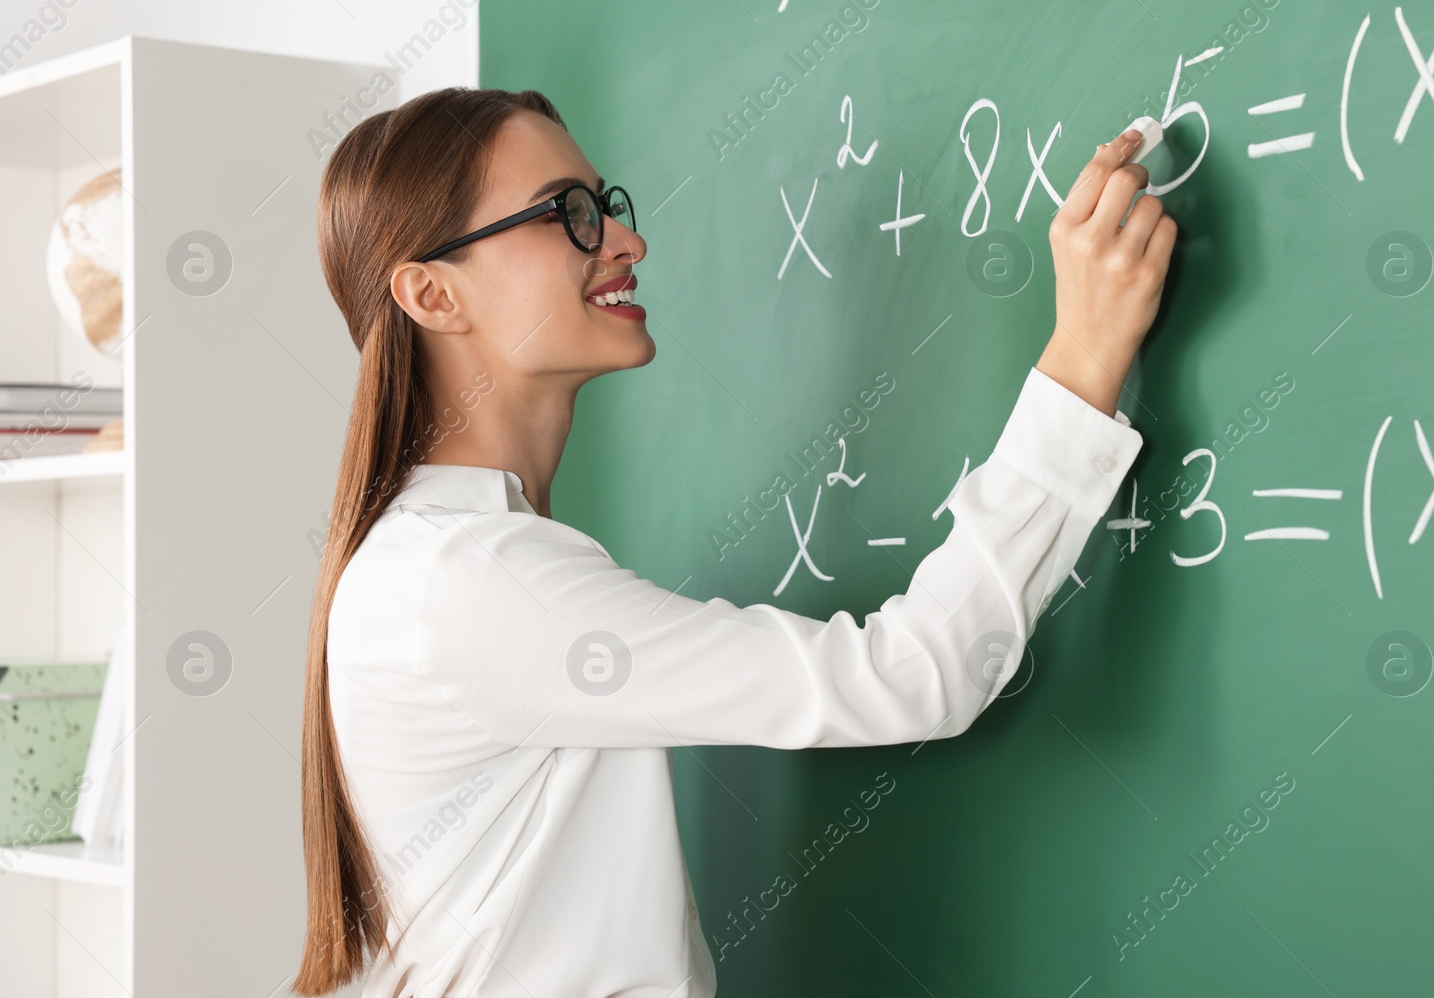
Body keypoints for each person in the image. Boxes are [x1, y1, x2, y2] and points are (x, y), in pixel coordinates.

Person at [292, 86, 1174, 997]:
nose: (627, 242)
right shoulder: (469, 577)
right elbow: (916, 675)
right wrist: (1083, 360)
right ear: (433, 293)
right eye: (570, 214)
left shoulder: (436, 562)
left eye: (607, 205)